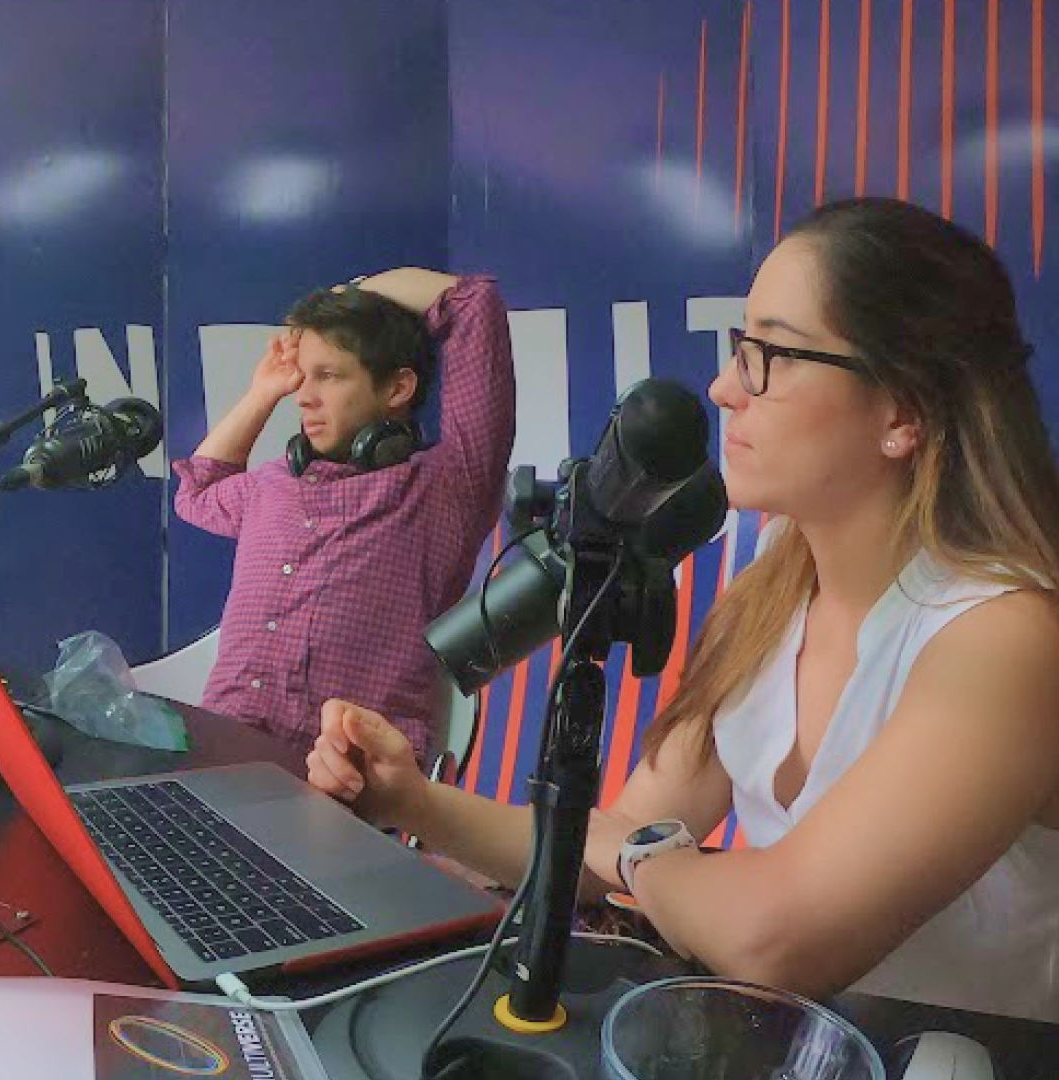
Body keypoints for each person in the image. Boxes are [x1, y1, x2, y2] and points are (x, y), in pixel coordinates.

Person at [308, 198, 1059, 1022]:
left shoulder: (1004, 638)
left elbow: (773, 938)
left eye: (771, 354)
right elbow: (621, 829)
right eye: (740, 347)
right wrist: (409, 800)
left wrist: (633, 854)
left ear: (902, 411)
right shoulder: (775, 587)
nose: (725, 388)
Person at [173, 269, 515, 760]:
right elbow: (197, 492)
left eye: (329, 376)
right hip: (223, 758)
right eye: (302, 376)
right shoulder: (274, 484)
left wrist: (349, 297)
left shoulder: (447, 485)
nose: (303, 396)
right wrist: (262, 393)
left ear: (398, 388)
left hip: (348, 779)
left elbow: (474, 302)